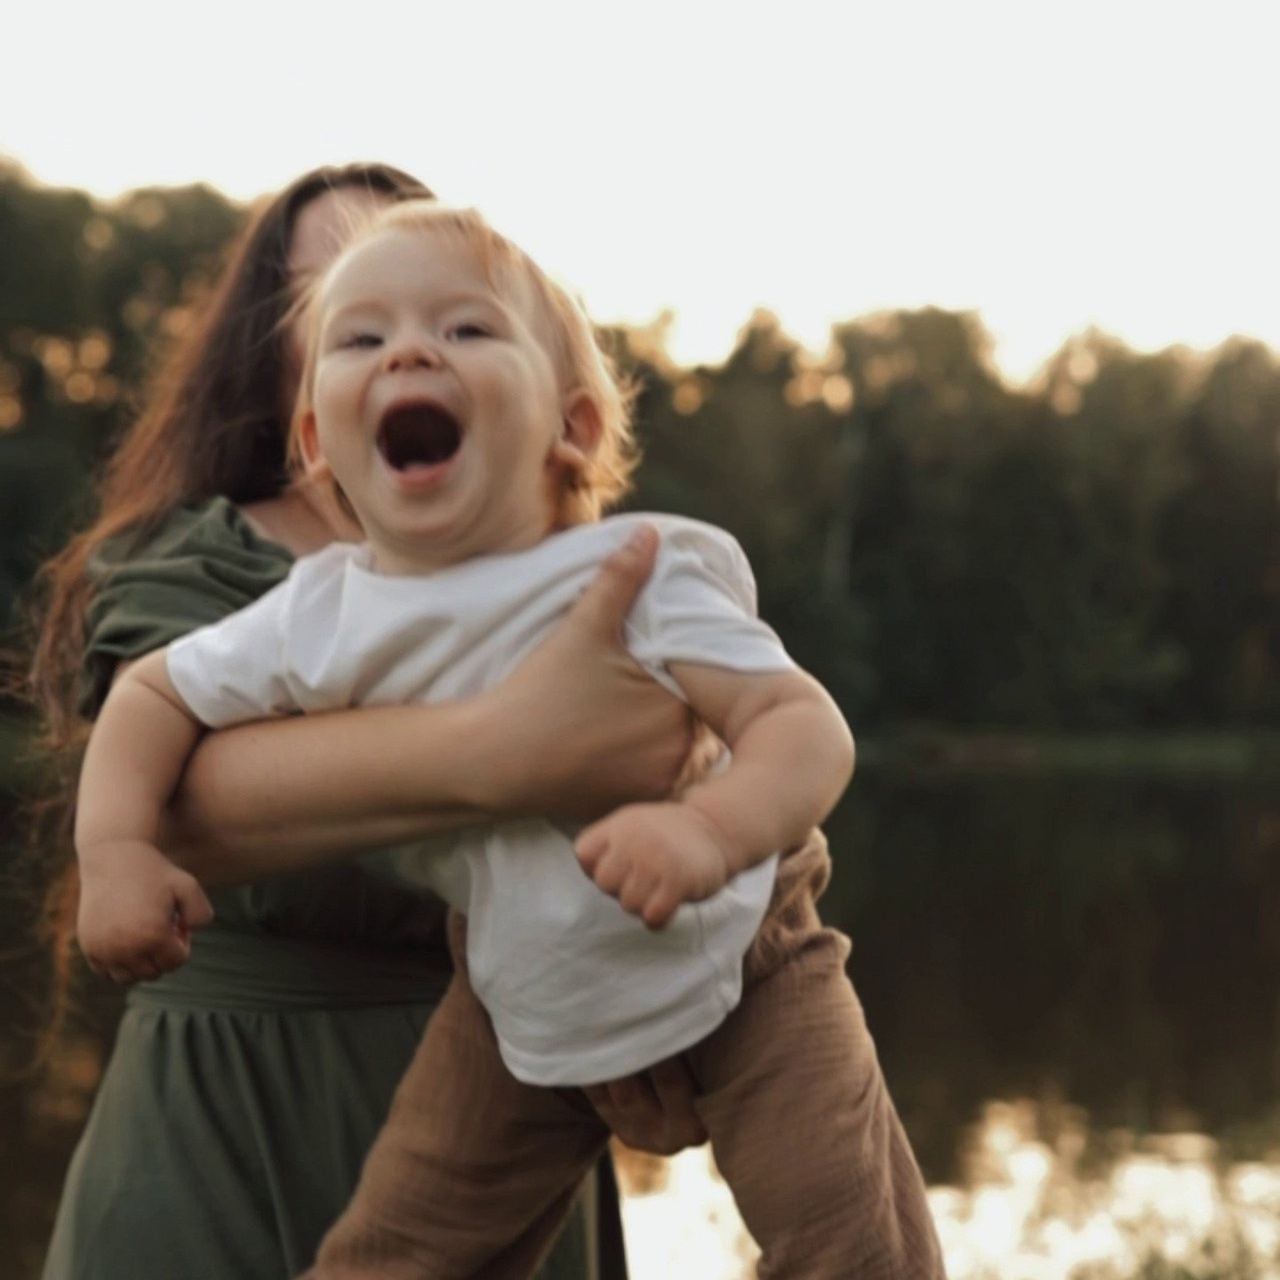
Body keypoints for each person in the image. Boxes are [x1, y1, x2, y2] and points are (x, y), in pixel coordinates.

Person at [75, 201, 946, 1279]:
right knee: (388, 1254)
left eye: (465, 328)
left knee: (855, 1244)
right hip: (508, 991)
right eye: (358, 335)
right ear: (315, 445)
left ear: (569, 427)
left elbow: (800, 725)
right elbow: (153, 693)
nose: (407, 347)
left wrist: (711, 831)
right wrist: (114, 851)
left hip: (740, 946)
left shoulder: (633, 569)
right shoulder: (322, 609)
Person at [29, 164, 706, 1280]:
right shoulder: (192, 558)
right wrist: (512, 745)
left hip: (503, 1114)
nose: (405, 337)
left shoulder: (572, 580)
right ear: (282, 350)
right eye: (342, 295)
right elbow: (180, 814)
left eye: (445, 300)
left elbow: (676, 809)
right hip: (221, 1135)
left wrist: (672, 1012)